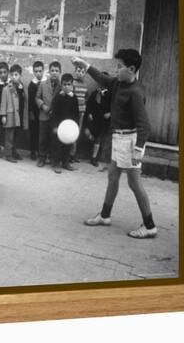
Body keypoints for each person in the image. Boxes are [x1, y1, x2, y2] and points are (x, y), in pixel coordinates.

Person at [72, 49, 158, 239]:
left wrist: (138, 149)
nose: (116, 69)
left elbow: (144, 125)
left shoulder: (135, 93)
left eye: (119, 67)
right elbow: (102, 78)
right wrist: (84, 65)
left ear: (131, 69)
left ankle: (150, 225)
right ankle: (105, 215)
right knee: (112, 177)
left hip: (130, 142)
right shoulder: (119, 83)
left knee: (134, 184)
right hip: (119, 138)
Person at [50, 73, 80, 173]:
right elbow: (54, 112)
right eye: (64, 84)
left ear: (72, 85)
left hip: (69, 127)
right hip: (59, 126)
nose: (66, 87)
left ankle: (65, 162)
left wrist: (76, 126)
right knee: (57, 145)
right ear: (61, 85)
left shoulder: (74, 97)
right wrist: (55, 126)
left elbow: (76, 113)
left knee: (67, 145)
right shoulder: (58, 97)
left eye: (69, 84)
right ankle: (56, 163)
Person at [0, 64, 29, 163]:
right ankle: (8, 154)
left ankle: (14, 151)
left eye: (16, 75)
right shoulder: (6, 88)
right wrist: (3, 115)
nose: (14, 77)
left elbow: (24, 100)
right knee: (9, 136)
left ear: (20, 75)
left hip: (19, 115)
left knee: (17, 135)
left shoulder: (22, 87)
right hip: (10, 115)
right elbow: (3, 103)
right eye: (12, 75)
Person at [35, 60, 62, 167]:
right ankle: (41, 157)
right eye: (52, 70)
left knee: (54, 139)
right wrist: (42, 105)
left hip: (56, 117)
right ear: (49, 72)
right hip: (44, 115)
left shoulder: (62, 85)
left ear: (60, 72)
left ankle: (53, 159)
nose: (54, 73)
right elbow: (37, 97)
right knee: (42, 138)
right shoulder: (43, 84)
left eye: (56, 70)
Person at [83, 75, 112, 166]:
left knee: (99, 138)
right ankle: (90, 143)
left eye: (104, 82)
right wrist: (89, 113)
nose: (101, 84)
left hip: (103, 120)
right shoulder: (94, 93)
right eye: (100, 82)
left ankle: (94, 157)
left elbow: (115, 106)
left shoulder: (110, 94)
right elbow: (89, 105)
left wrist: (110, 113)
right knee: (87, 132)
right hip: (94, 119)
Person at [69, 64, 89, 162]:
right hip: (73, 112)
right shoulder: (72, 83)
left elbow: (86, 97)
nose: (80, 73)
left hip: (81, 113)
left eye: (82, 72)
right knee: (71, 133)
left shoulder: (85, 85)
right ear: (75, 71)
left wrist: (83, 109)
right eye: (78, 71)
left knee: (78, 133)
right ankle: (69, 155)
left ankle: (73, 154)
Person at [28, 60, 44, 160]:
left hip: (43, 112)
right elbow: (30, 100)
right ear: (33, 72)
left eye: (40, 71)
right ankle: (33, 151)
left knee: (42, 132)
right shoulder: (31, 85)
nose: (38, 73)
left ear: (43, 71)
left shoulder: (46, 83)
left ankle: (41, 151)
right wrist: (30, 112)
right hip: (34, 112)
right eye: (36, 71)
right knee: (34, 132)